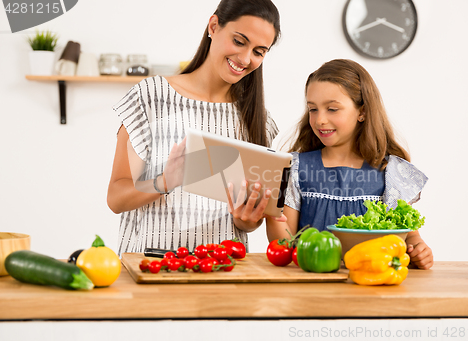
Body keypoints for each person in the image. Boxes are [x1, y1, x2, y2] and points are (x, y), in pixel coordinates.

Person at [107, 0, 282, 255]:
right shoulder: (151, 97)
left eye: (259, 51)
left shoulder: (258, 120)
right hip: (151, 269)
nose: (245, 58)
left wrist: (246, 219)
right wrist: (164, 182)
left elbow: (248, 222)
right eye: (239, 41)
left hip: (221, 271)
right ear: (213, 26)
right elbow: (115, 198)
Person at [266, 59, 433, 269]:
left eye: (332, 109)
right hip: (311, 283)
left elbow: (408, 237)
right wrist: (270, 213)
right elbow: (283, 242)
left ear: (362, 112)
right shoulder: (296, 168)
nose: (319, 120)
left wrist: (419, 249)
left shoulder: (389, 172)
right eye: (313, 109)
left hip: (370, 283)